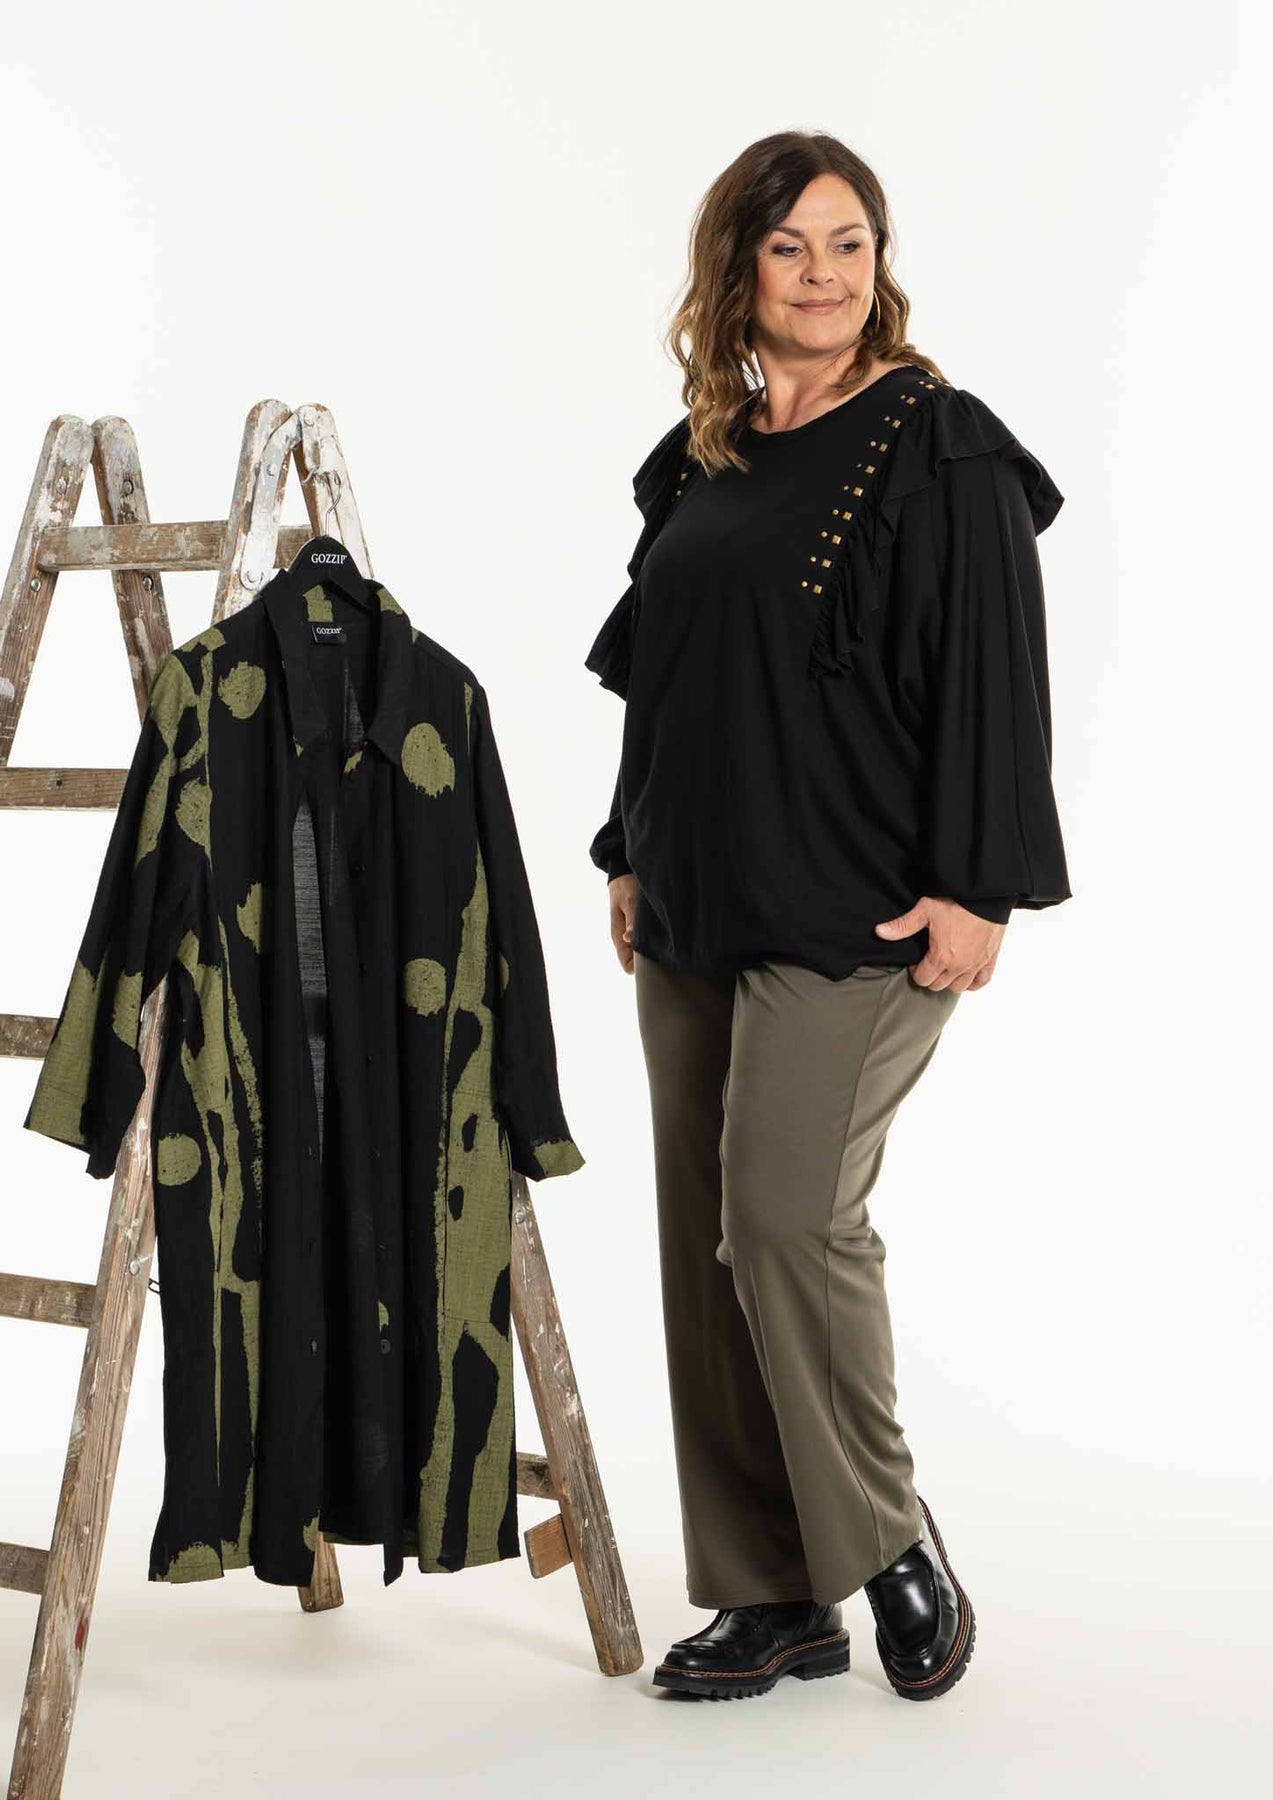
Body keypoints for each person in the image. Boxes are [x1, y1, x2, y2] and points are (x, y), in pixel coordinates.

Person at [584, 131, 1072, 1703]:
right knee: (704, 1247)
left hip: (860, 907)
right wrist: (626, 849)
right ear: (735, 272)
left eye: (848, 243)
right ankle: (768, 1594)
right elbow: (663, 676)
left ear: (880, 261)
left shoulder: (937, 441)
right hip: (694, 899)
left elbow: (995, 669)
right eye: (789, 247)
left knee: (786, 1219)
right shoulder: (703, 455)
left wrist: (979, 884)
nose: (822, 275)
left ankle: (883, 1538)